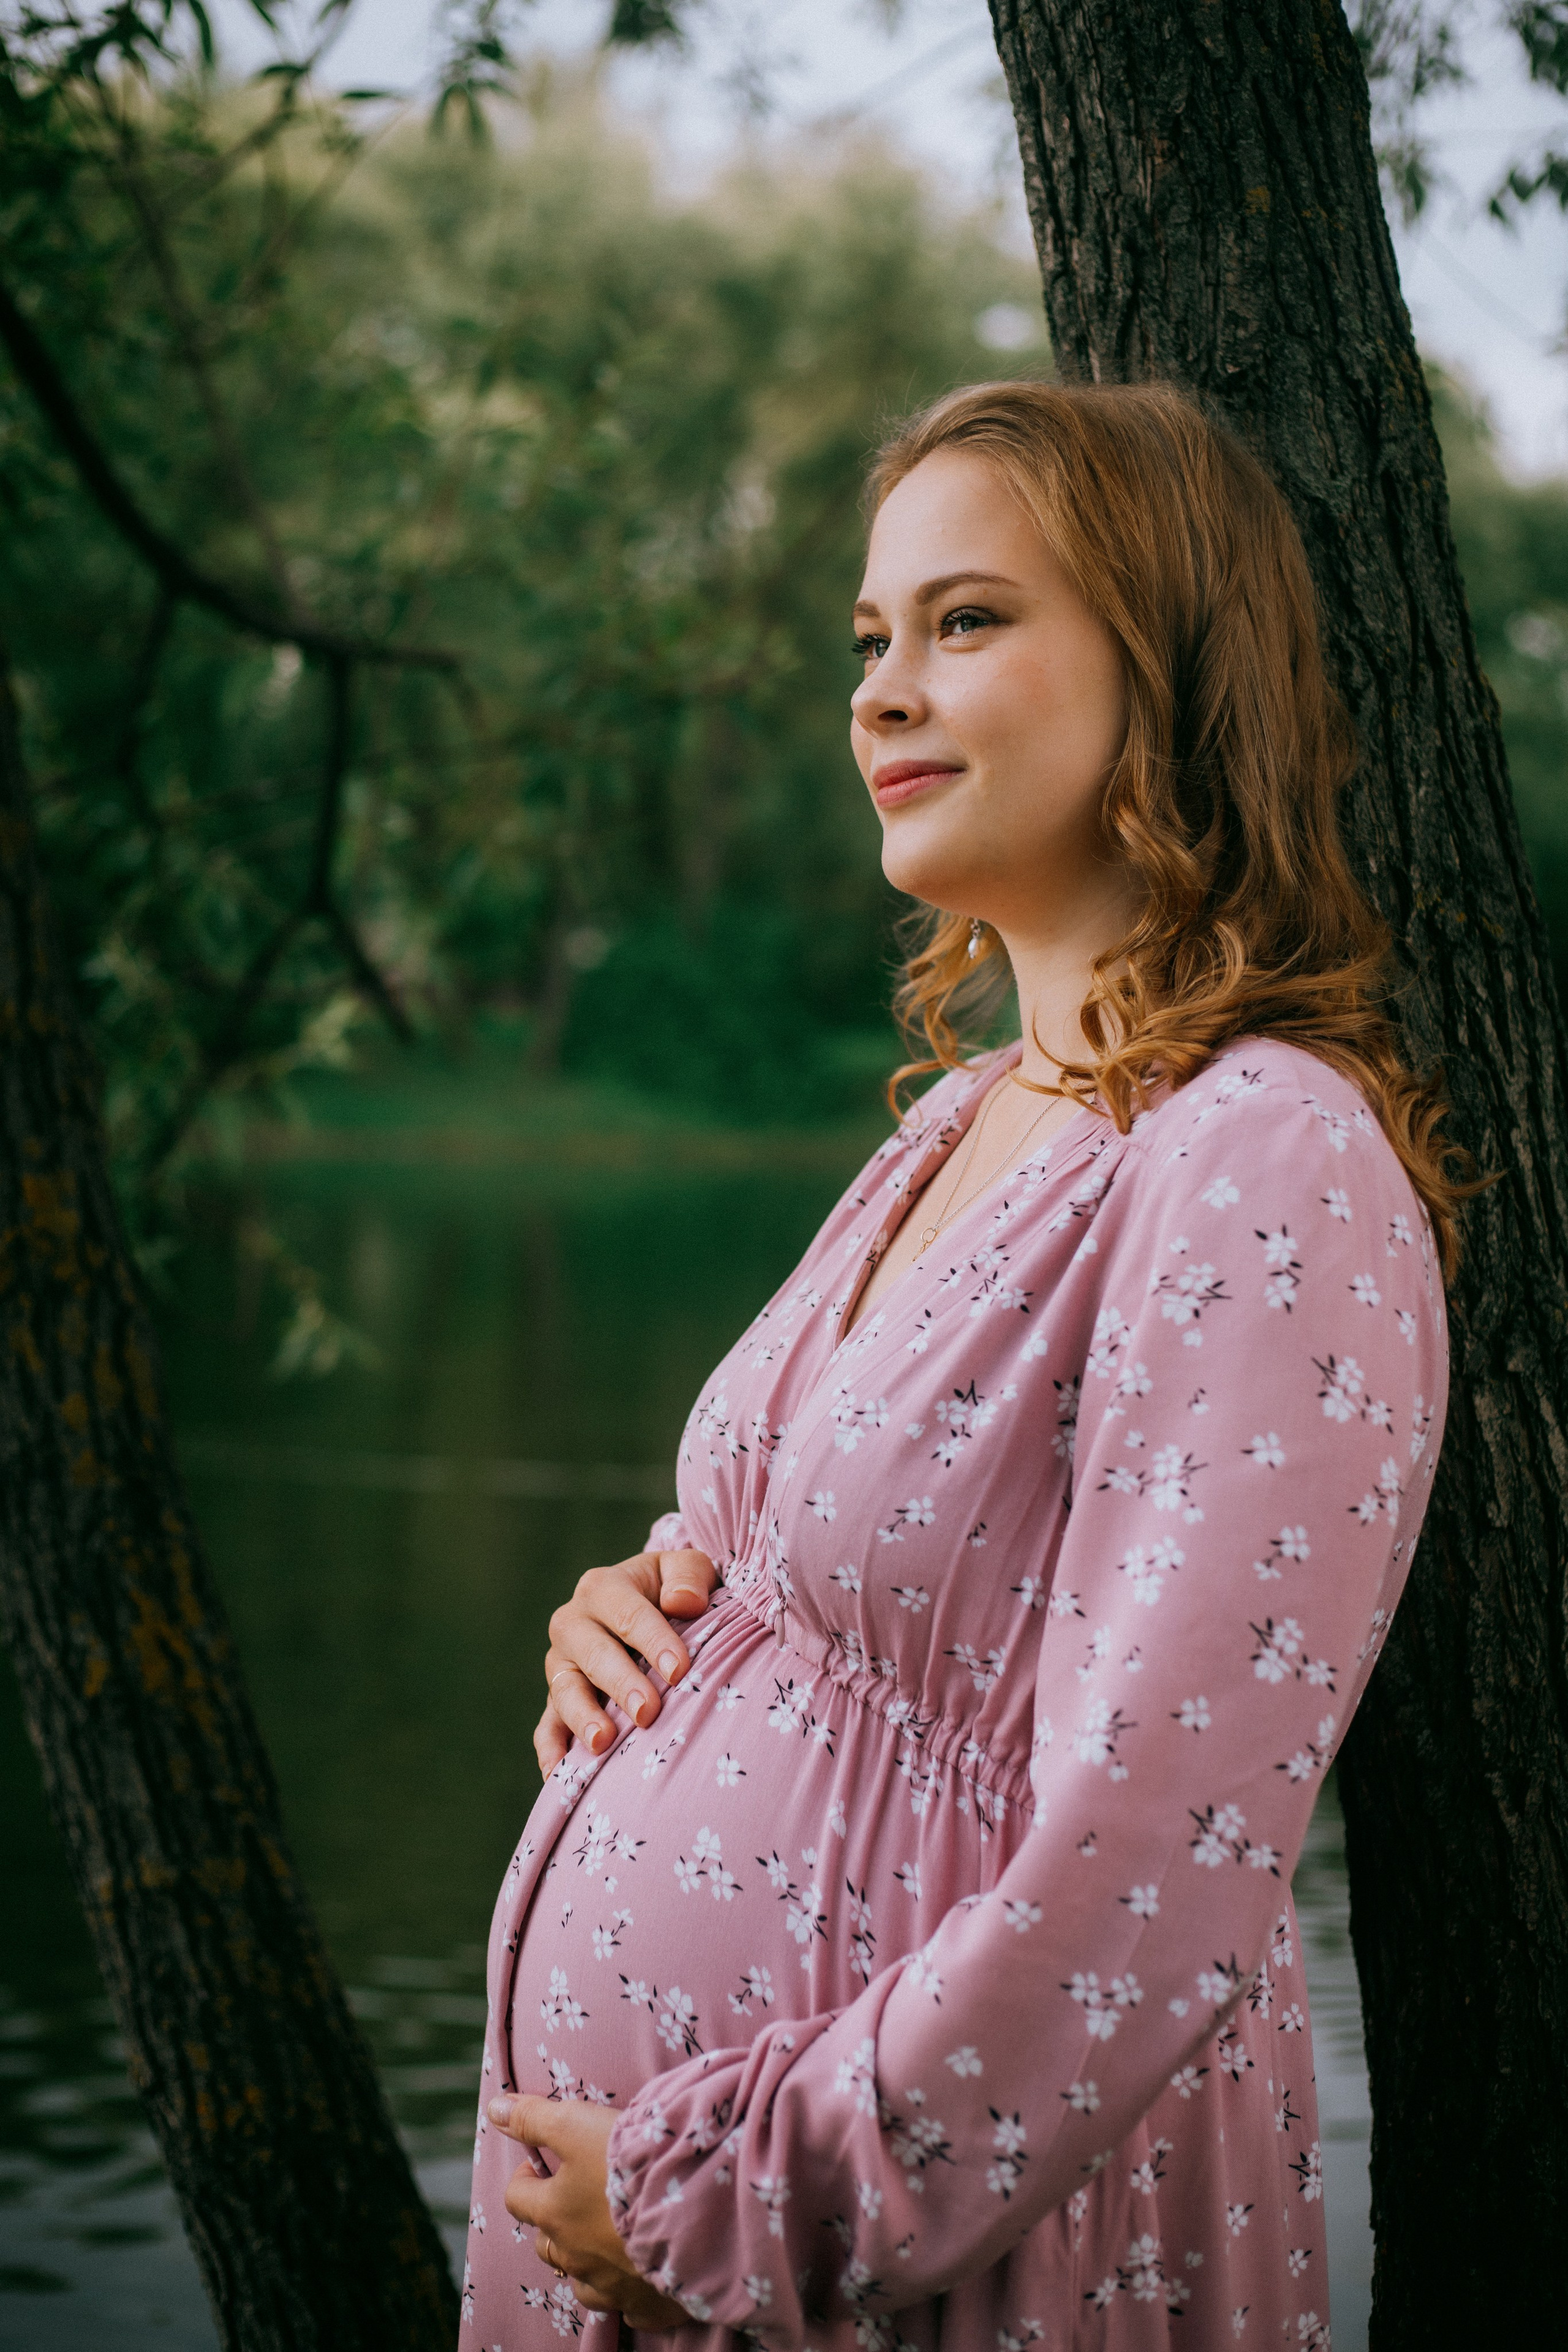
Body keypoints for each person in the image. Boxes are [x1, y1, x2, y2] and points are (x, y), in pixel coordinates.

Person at [460, 380, 1455, 2351]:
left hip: (915, 2263)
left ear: (1165, 667)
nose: (882, 691)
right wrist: (635, 1622)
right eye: (870, 638)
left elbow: (1156, 1869)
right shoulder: (977, 1112)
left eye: (967, 621)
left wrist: (734, 2204)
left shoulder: (1260, 1158)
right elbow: (810, 1581)